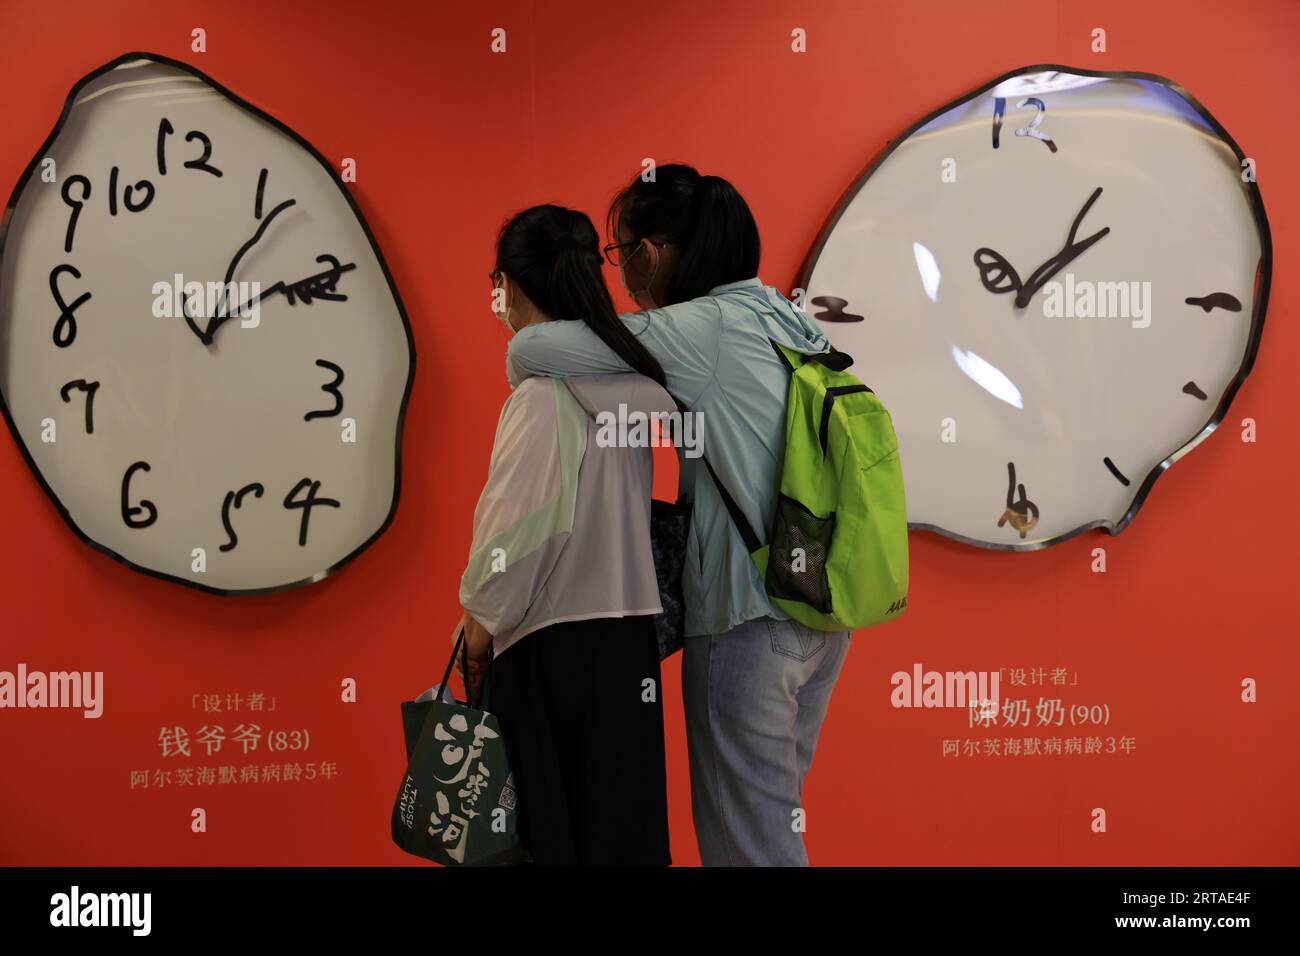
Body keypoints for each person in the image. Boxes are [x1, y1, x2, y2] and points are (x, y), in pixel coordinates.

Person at [505, 165, 851, 866]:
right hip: (819, 611)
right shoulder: (783, 315)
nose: (622, 272)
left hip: (746, 620)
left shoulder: (704, 328)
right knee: (771, 833)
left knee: (744, 849)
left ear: (657, 251)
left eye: (622, 251)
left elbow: (534, 347)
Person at [456, 204, 675, 867]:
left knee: (546, 845)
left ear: (512, 286)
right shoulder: (629, 390)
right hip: (628, 649)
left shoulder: (541, 396)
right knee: (618, 840)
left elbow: (517, 535)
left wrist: (477, 628)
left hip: (551, 654)